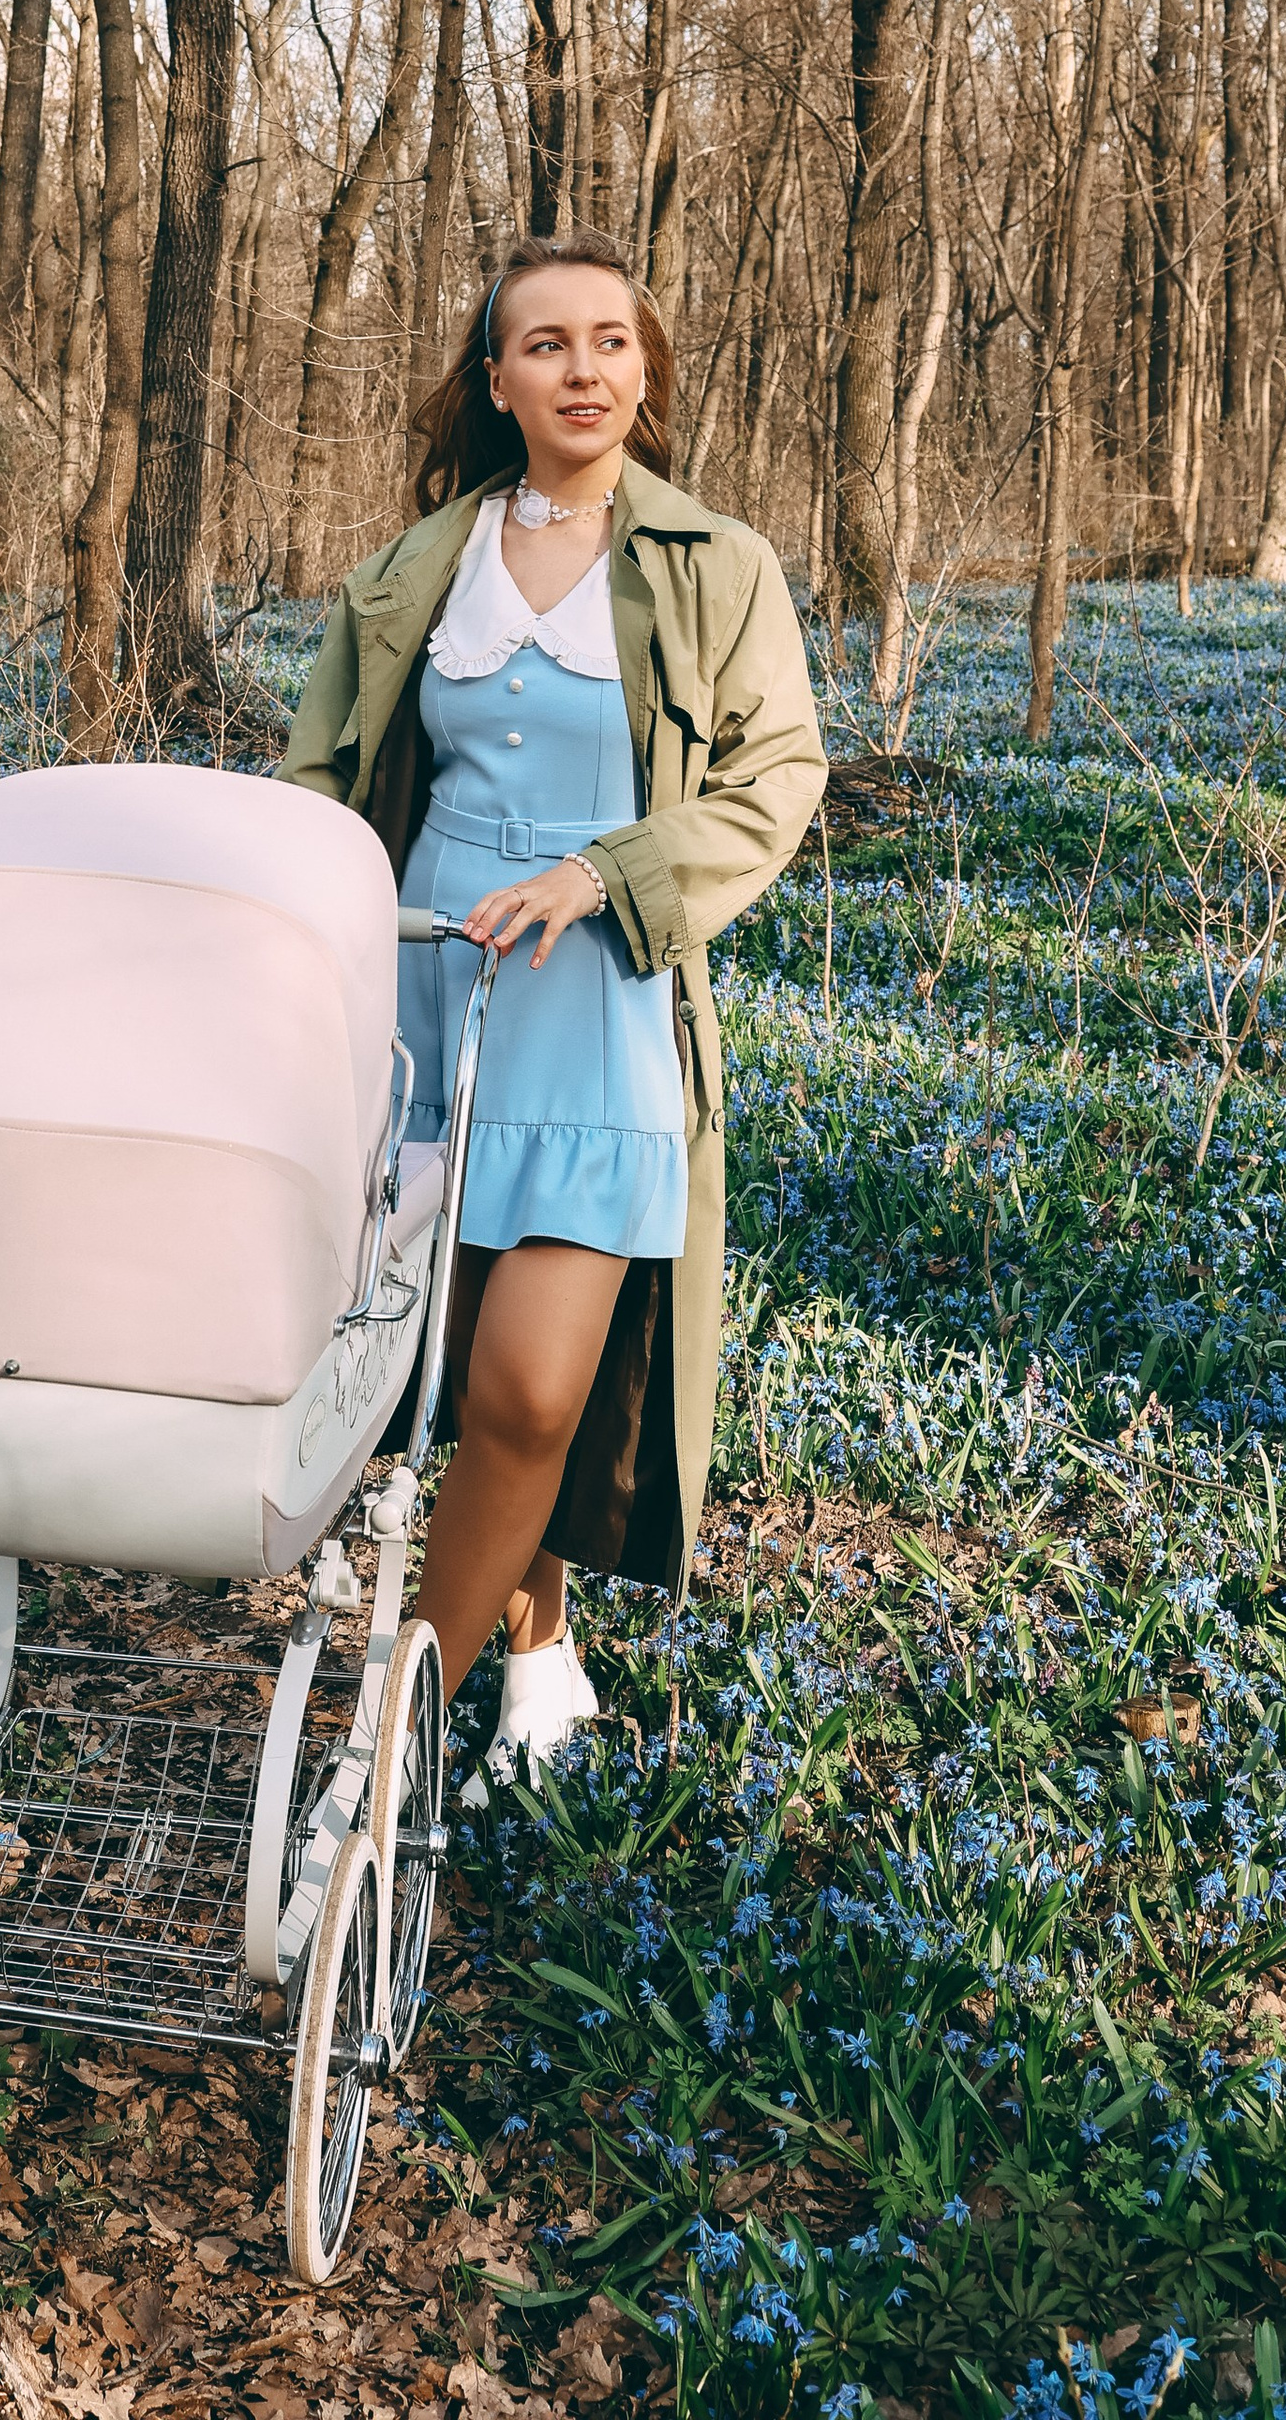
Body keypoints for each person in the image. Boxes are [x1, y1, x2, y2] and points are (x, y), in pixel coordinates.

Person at [279, 231, 825, 1783]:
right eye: (547, 346)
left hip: (598, 995)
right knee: (426, 1363)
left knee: (528, 1391)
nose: (583, 371)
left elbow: (776, 780)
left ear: (643, 372)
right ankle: (534, 1637)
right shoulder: (412, 570)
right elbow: (323, 782)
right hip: (424, 974)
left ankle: (384, 1744)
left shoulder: (715, 565)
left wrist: (607, 875)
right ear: (495, 379)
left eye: (611, 342)